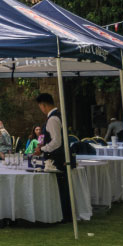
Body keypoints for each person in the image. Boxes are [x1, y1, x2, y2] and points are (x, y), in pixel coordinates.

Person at [34, 93, 74, 223]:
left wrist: (42, 149)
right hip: (59, 156)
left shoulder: (53, 119)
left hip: (57, 157)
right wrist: (42, 144)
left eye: (40, 106)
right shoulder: (56, 116)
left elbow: (57, 141)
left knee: (61, 188)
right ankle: (63, 214)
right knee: (61, 187)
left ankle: (65, 215)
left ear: (43, 105)